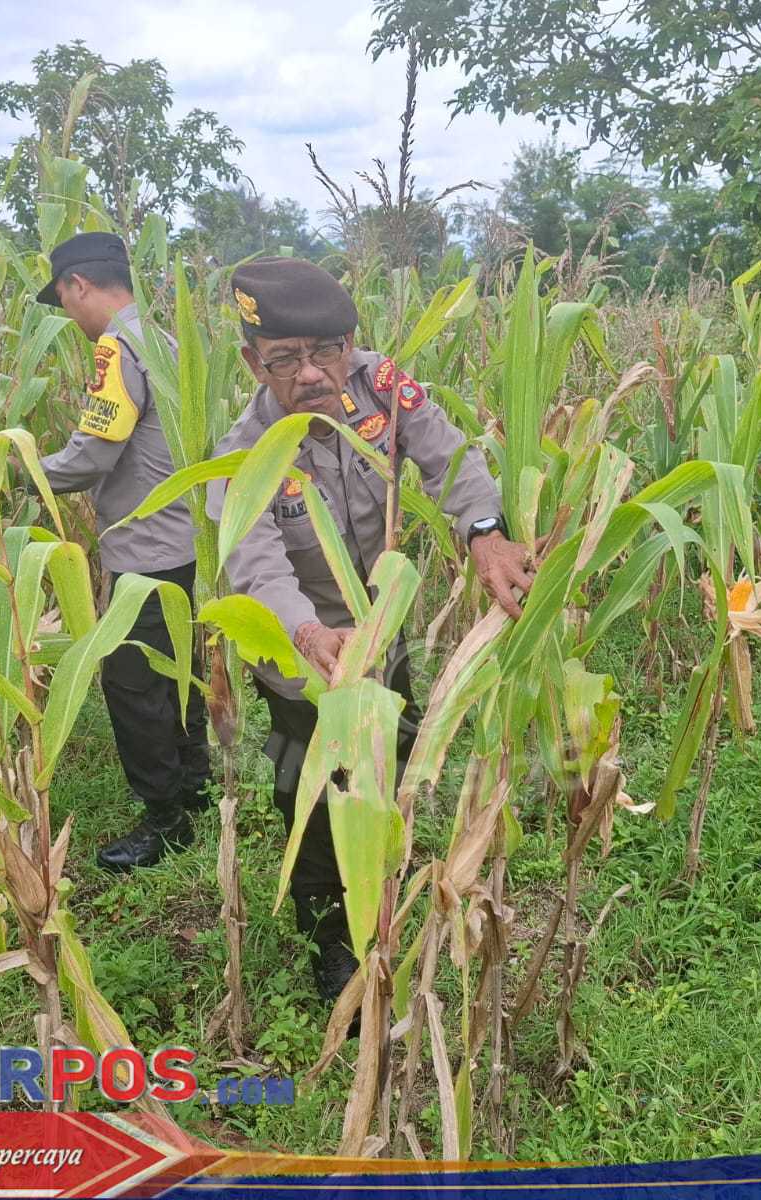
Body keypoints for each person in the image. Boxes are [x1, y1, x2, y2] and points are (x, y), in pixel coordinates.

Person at [208, 256, 534, 1001]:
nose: (314, 374)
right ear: (253, 363)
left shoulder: (383, 386)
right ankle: (332, 939)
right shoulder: (244, 453)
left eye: (328, 350)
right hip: (305, 658)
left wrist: (484, 530)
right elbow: (256, 566)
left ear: (351, 341)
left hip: (384, 635)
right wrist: (309, 636)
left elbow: (449, 456)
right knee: (312, 793)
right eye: (287, 359)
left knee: (400, 759)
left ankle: (398, 886)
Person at [35, 232, 212, 872]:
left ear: (78, 284)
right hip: (184, 539)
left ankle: (165, 820)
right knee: (177, 668)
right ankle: (195, 781)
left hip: (144, 548)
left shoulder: (118, 345)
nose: (68, 317)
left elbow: (95, 451)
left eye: (63, 300)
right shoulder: (161, 340)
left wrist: (24, 468)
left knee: (133, 683)